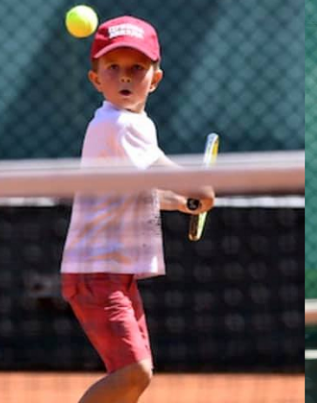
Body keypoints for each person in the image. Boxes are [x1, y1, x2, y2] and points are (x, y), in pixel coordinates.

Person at [60, 16, 214, 403]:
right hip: (97, 271)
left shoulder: (132, 124)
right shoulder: (118, 124)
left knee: (134, 377)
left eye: (137, 68)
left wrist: (180, 202)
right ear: (96, 79)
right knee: (134, 372)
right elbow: (159, 168)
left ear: (155, 79)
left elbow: (135, 188)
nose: (124, 78)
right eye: (113, 68)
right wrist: (197, 184)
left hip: (113, 272)